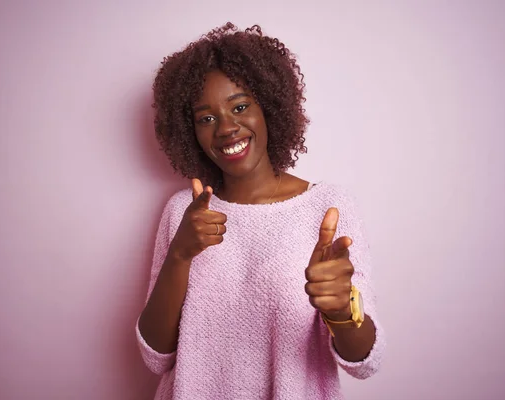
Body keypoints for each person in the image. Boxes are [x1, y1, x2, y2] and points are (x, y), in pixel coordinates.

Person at [136, 22, 386, 399]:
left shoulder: (327, 208)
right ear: (189, 131)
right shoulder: (182, 213)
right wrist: (180, 254)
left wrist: (339, 309)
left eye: (239, 107)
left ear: (268, 107)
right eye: (206, 118)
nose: (226, 128)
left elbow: (365, 360)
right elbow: (155, 358)